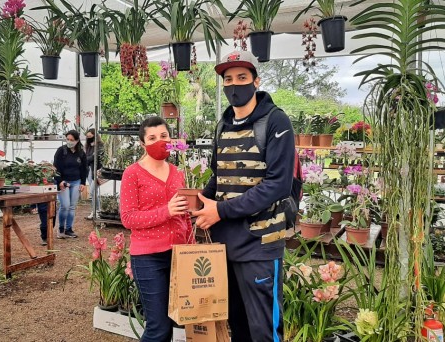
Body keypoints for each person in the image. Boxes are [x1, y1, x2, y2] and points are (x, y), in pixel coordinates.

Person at [192, 50, 295, 342]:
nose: (234, 85)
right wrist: (198, 200)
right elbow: (219, 176)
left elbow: (277, 185)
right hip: (225, 243)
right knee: (236, 323)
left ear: (256, 81)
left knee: (264, 328)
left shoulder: (276, 122)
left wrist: (220, 211)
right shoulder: (223, 125)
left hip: (260, 244)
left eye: (242, 77)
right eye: (228, 79)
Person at [120, 116, 193, 342]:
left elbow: (185, 215)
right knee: (158, 327)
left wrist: (191, 246)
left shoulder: (178, 172)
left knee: (174, 322)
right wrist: (166, 211)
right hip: (149, 257)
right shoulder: (133, 173)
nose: (159, 141)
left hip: (179, 255)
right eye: (152, 138)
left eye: (163, 136)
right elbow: (128, 218)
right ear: (142, 144)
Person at [53, 129, 87, 239]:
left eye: (72, 140)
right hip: (64, 182)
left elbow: (84, 169)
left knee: (72, 207)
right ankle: (61, 228)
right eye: (67, 139)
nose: (69, 141)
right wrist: (59, 181)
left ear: (77, 140)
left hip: (76, 181)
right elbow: (55, 168)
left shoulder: (81, 153)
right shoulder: (61, 151)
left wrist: (83, 183)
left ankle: (69, 229)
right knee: (65, 205)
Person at [84, 128, 104, 220]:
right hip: (90, 171)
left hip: (98, 171)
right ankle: (96, 211)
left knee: (92, 191)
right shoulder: (88, 146)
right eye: (87, 137)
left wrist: (87, 159)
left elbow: (94, 157)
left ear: (95, 136)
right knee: (94, 193)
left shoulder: (100, 145)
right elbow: (87, 157)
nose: (88, 138)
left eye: (90, 136)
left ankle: (97, 211)